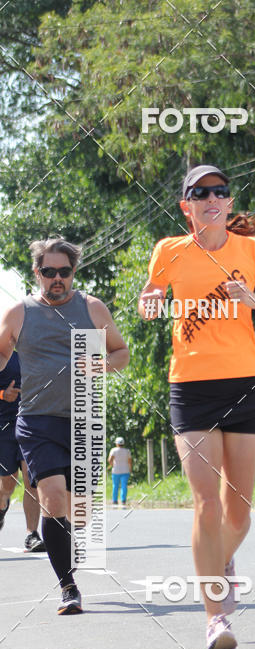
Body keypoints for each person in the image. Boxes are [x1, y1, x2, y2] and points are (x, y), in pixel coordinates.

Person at [139, 164, 255, 649]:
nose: (213, 198)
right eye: (201, 193)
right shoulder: (168, 251)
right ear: (186, 205)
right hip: (190, 388)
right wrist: (150, 301)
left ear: (229, 204)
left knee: (239, 513)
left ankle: (219, 562)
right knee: (206, 504)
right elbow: (151, 296)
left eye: (221, 192)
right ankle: (216, 620)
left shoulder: (251, 250)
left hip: (245, 384)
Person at [0, 237, 129, 613]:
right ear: (37, 273)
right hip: (37, 421)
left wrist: (103, 365)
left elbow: (120, 352)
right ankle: (68, 586)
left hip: (84, 418)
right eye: (49, 272)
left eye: (65, 272)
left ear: (73, 272)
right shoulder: (19, 314)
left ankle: (66, 544)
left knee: (79, 511)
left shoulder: (91, 310)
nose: (57, 279)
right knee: (53, 499)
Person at [0, 350, 46, 551]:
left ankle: (32, 534)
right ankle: (2, 506)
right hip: (3, 426)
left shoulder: (32, 352)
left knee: (31, 479)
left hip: (29, 423)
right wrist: (2, 394)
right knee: (8, 483)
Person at [108, 436, 132, 506]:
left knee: (115, 486)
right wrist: (130, 468)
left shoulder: (113, 450)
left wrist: (112, 465)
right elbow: (130, 461)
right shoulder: (127, 451)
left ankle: (115, 500)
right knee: (124, 486)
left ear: (116, 443)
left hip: (116, 471)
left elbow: (110, 460)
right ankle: (123, 500)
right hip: (125, 470)